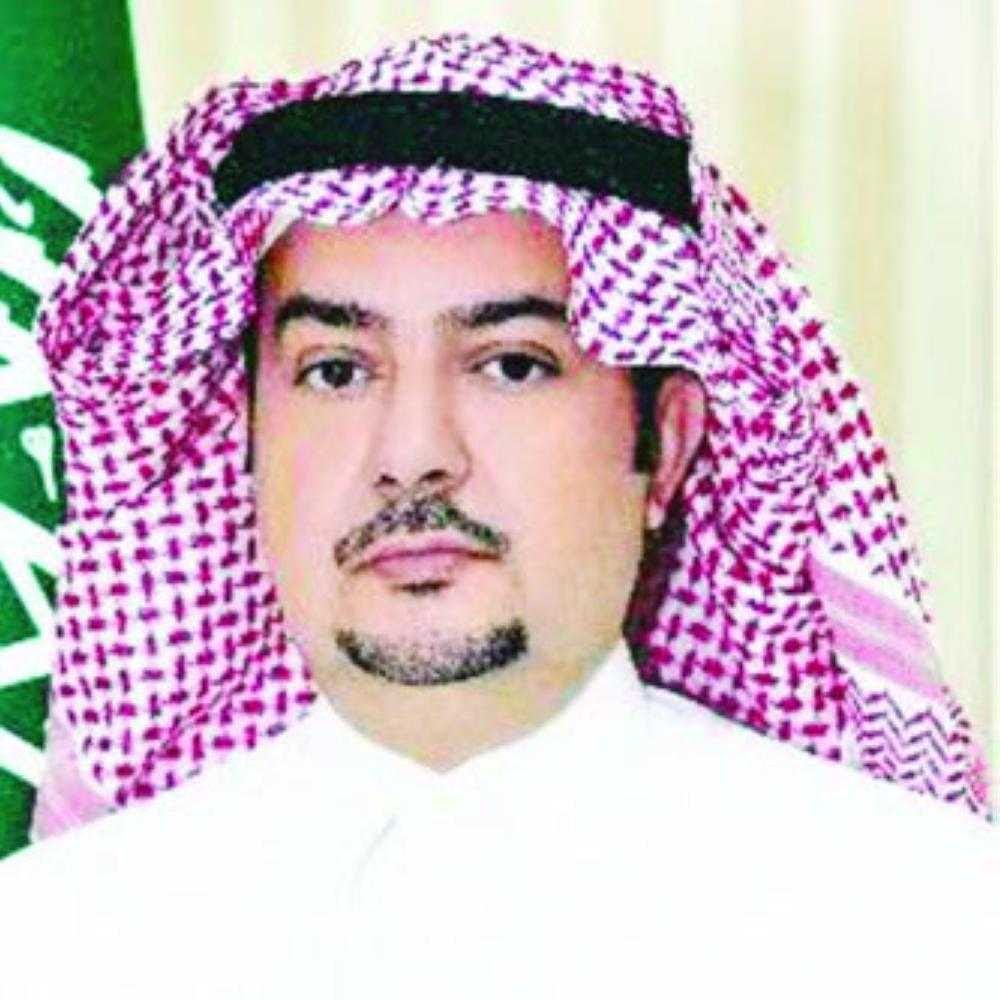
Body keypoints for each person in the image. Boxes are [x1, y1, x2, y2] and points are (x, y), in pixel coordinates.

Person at [1, 33, 996, 999]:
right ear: (248, 439)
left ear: (666, 444)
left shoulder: (923, 926)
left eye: (511, 365)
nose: (411, 453)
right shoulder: (58, 947)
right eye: (337, 370)